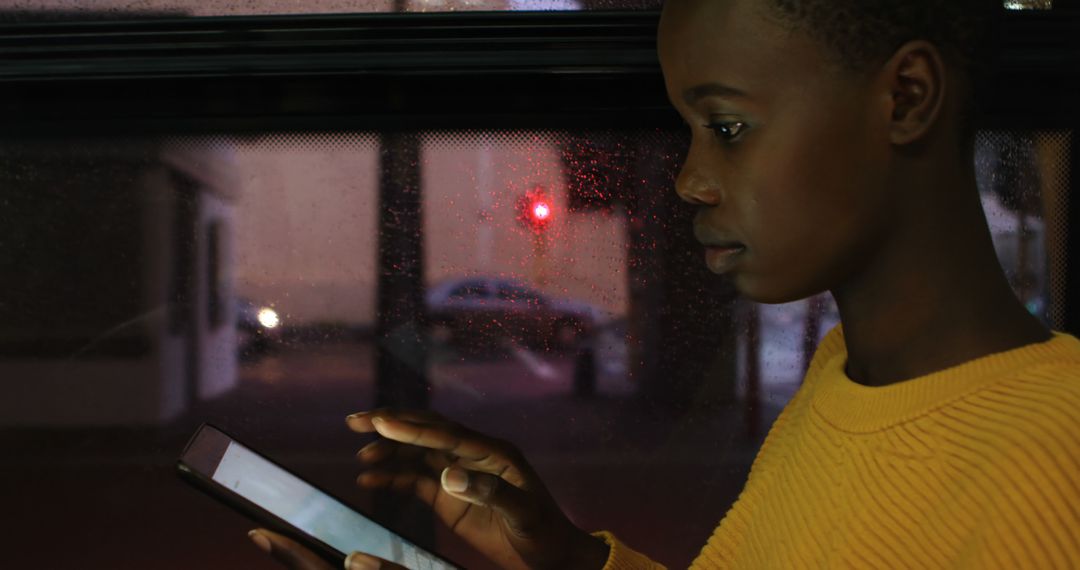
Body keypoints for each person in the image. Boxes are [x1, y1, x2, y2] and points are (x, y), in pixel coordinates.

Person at [247, 0, 1080, 567]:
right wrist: (573, 560)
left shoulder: (1055, 465)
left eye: (727, 128)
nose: (689, 180)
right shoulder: (841, 381)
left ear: (906, 97)